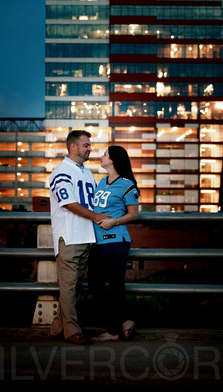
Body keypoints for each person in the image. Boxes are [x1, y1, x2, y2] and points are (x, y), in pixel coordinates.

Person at [49, 130, 110, 344]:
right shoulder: (61, 170)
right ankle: (72, 330)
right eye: (86, 145)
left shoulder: (86, 173)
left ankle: (57, 328)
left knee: (74, 287)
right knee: (68, 286)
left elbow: (95, 200)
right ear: (73, 147)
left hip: (86, 237)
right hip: (69, 235)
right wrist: (95, 216)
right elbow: (68, 202)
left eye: (89, 145)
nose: (89, 148)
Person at [88, 145, 139, 342]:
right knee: (95, 284)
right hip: (98, 242)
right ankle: (124, 321)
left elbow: (133, 214)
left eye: (105, 155)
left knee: (116, 285)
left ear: (113, 160)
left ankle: (112, 331)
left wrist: (113, 221)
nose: (101, 157)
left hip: (116, 241)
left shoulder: (127, 185)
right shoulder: (101, 182)